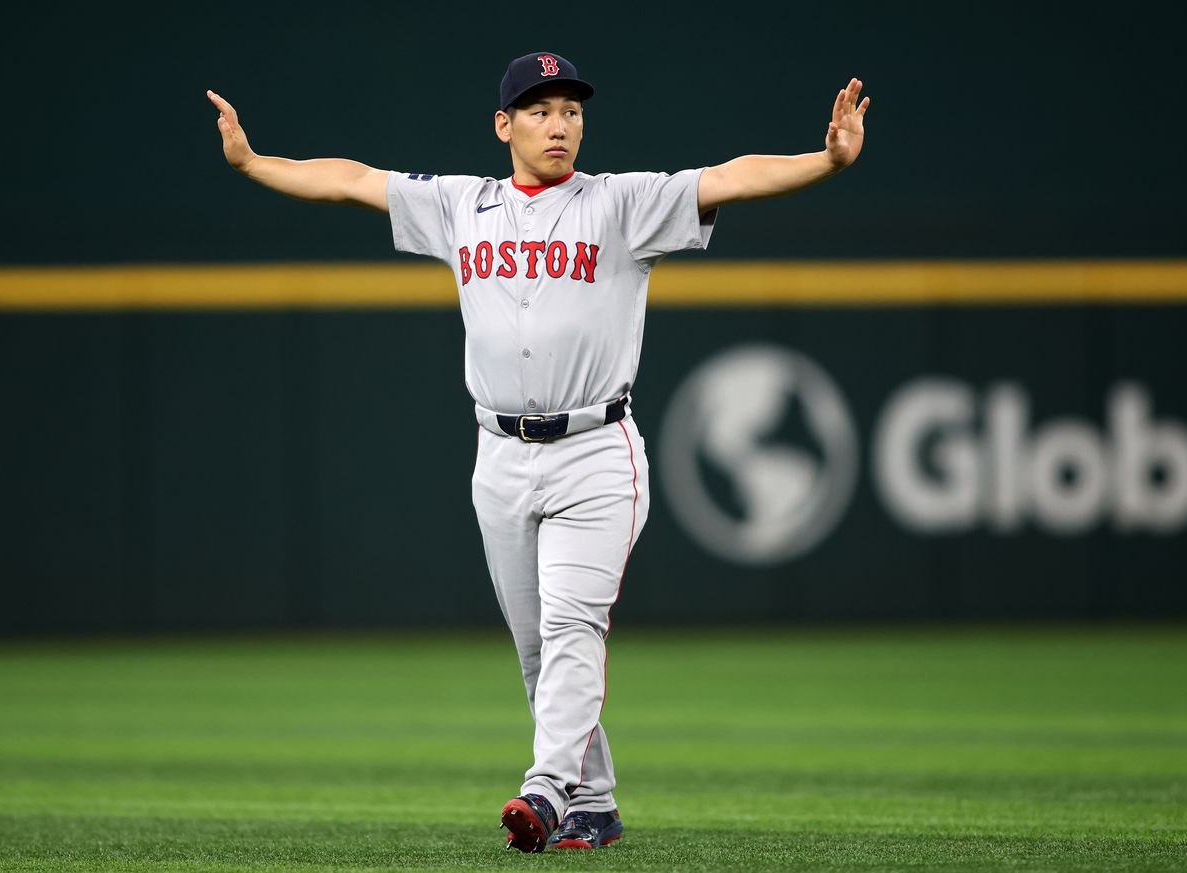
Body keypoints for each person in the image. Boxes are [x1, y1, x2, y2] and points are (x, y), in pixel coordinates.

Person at [207, 51, 868, 852]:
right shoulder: (462, 206)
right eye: (541, 109)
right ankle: (594, 803)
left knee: (571, 625)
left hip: (595, 449)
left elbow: (729, 177)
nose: (561, 124)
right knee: (535, 648)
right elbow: (352, 180)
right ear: (504, 125)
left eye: (573, 110)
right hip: (499, 454)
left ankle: (545, 790)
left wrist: (826, 160)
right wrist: (252, 162)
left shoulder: (623, 203)